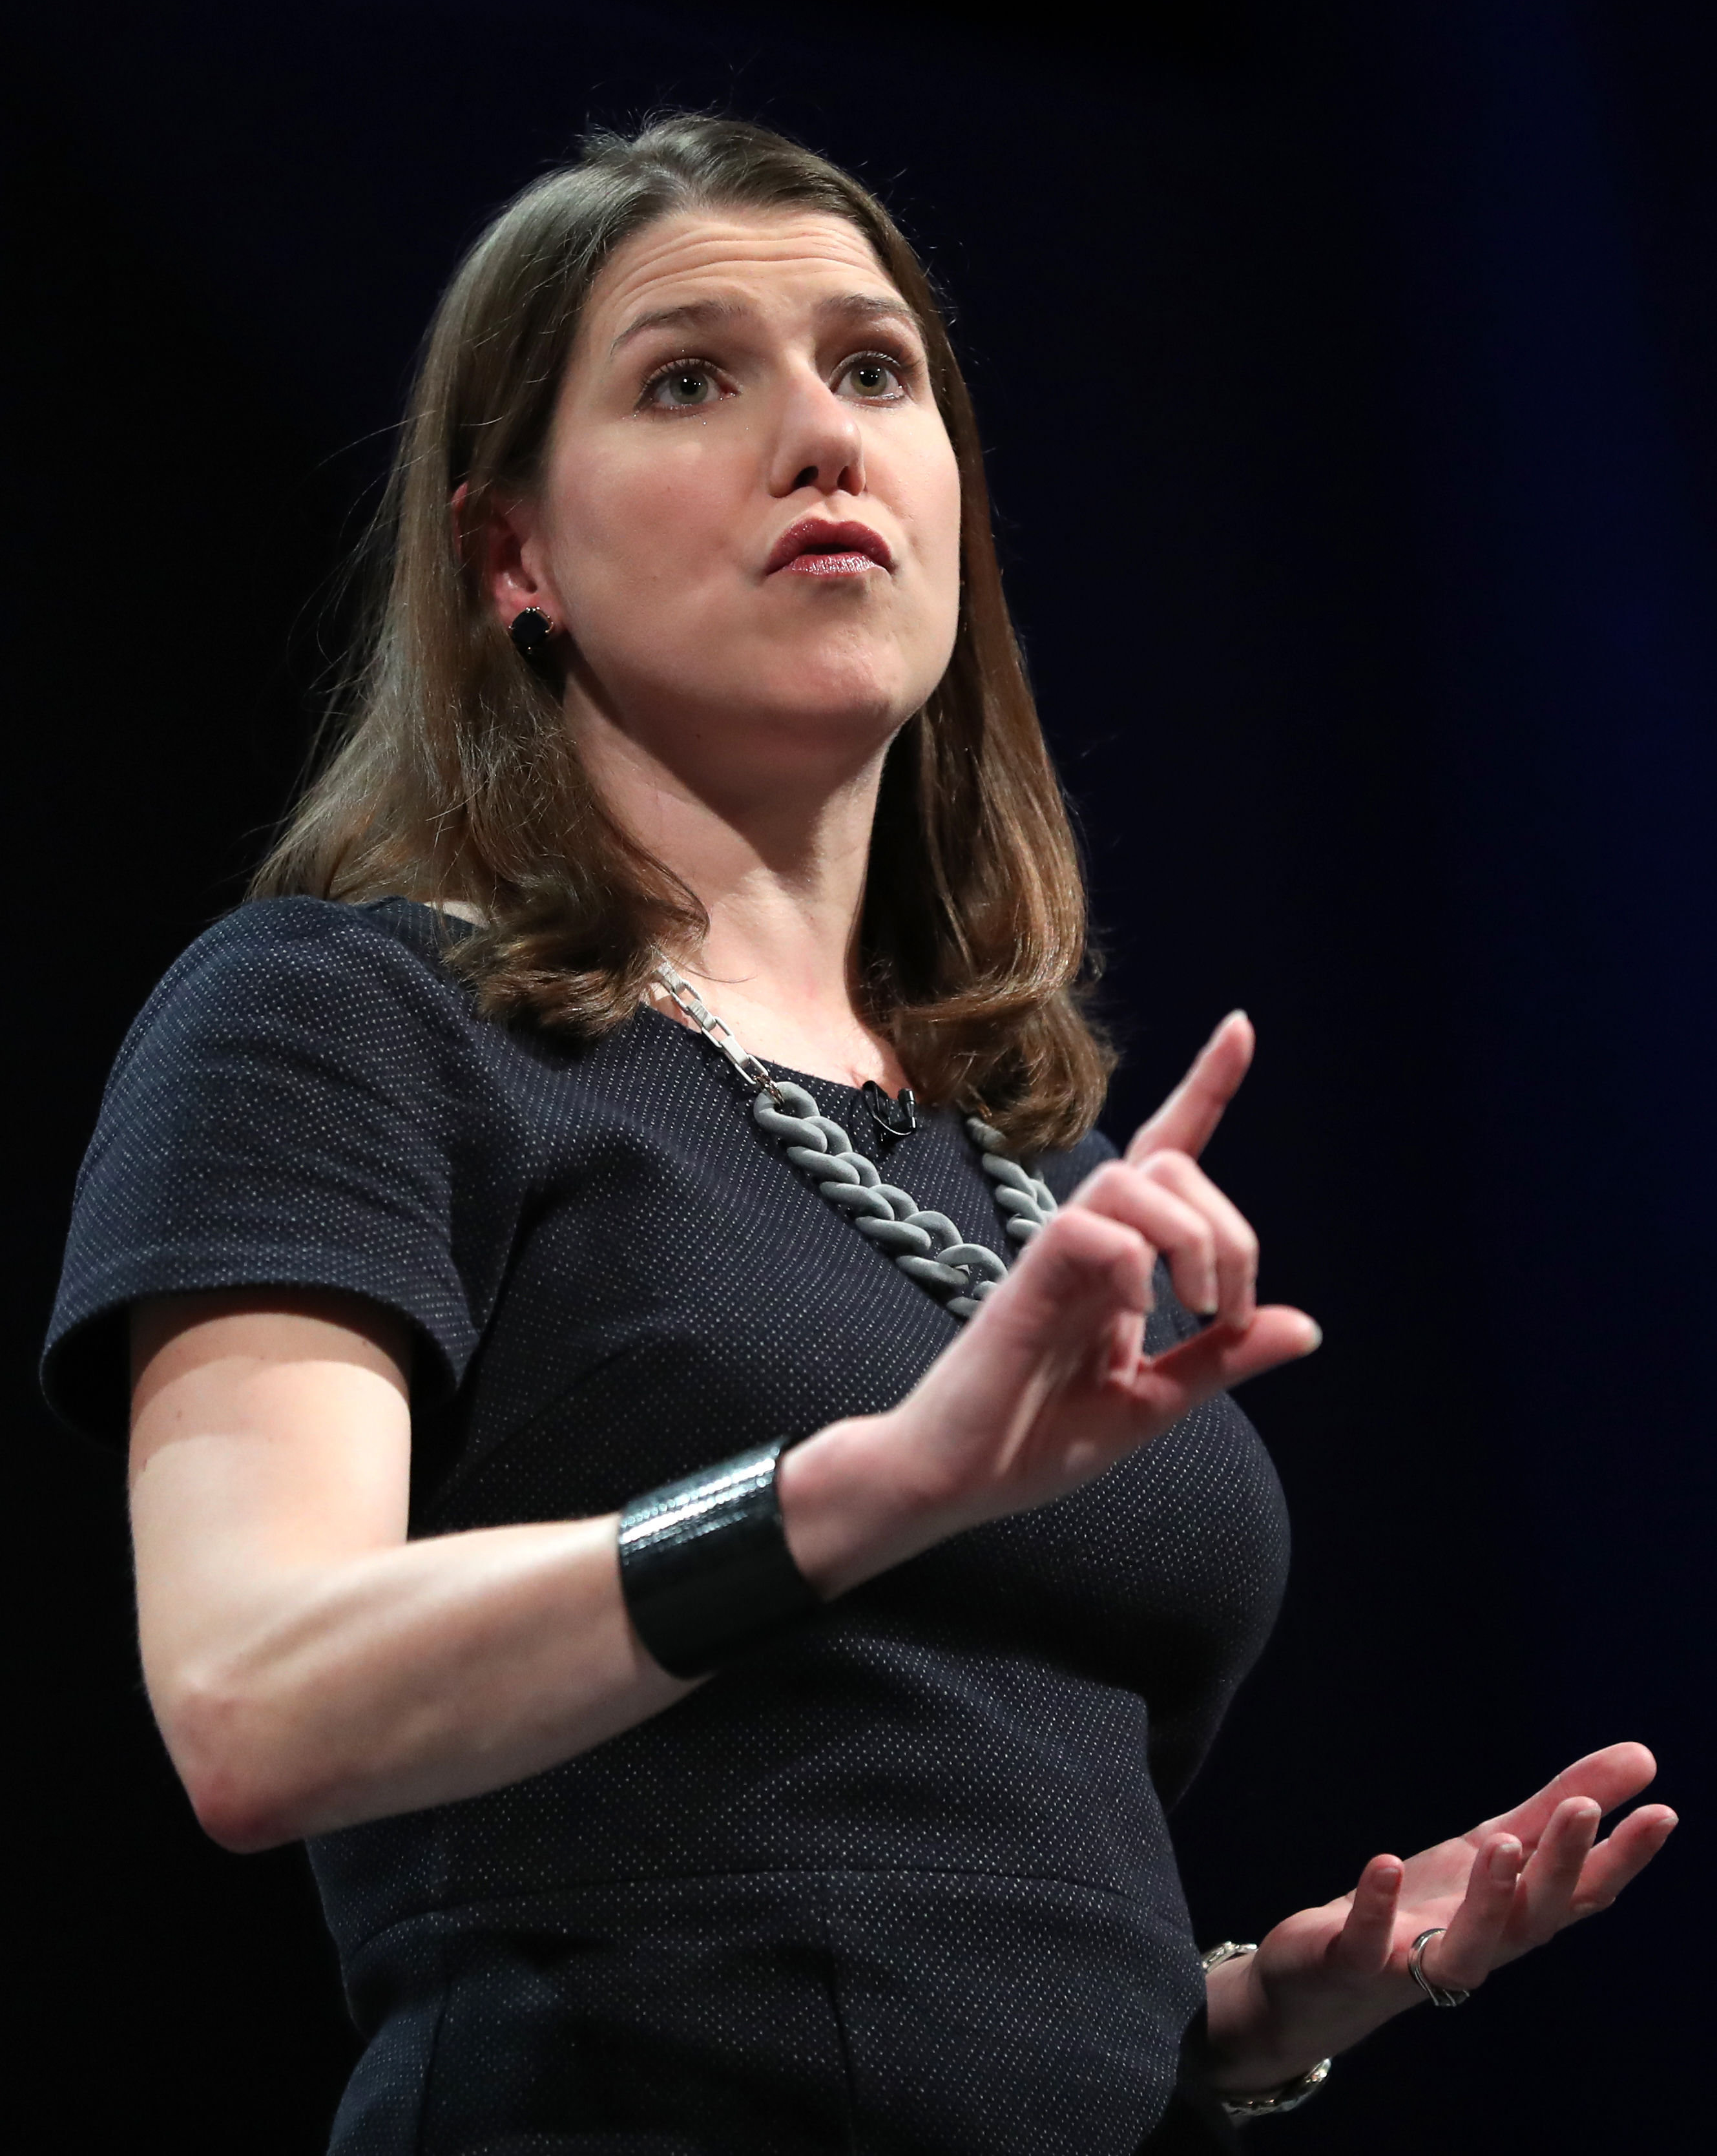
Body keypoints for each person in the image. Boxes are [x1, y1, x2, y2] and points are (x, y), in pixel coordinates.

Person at [44, 116, 1674, 2155]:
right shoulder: (340, 1019)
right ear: (509, 558)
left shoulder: (1015, 1172)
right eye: (687, 377)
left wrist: (1256, 2009)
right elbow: (252, 1704)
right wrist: (864, 1488)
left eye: (872, 368)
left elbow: (888, 1911)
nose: (819, 435)